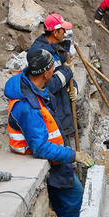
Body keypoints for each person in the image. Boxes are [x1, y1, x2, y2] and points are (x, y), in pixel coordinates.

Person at [4, 49, 94, 217]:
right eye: (53, 67)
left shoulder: (31, 85)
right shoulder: (28, 107)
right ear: (45, 73)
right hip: (51, 162)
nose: (55, 70)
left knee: (74, 199)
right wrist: (73, 155)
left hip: (56, 157)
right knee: (75, 204)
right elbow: (41, 147)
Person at [29, 13, 77, 146]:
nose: (65, 32)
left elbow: (66, 73)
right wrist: (67, 71)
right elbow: (47, 86)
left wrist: (75, 88)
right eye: (63, 30)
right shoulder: (40, 54)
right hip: (53, 116)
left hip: (63, 111)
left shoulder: (56, 48)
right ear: (55, 32)